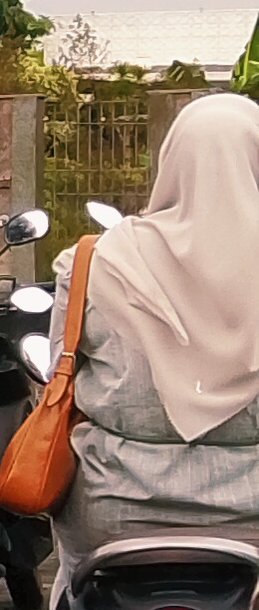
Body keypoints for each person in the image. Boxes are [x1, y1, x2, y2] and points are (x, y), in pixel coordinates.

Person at [51, 89, 259, 573]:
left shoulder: (94, 262)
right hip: (253, 510)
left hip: (117, 508)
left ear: (172, 163)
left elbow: (54, 371)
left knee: (75, 592)